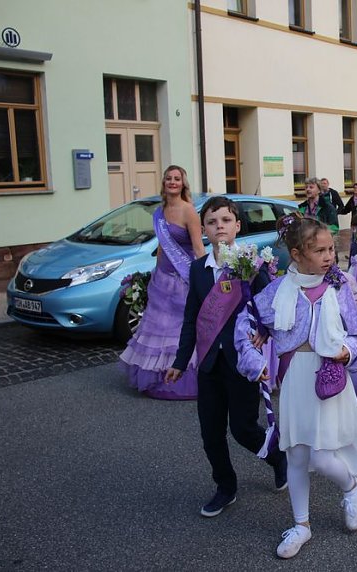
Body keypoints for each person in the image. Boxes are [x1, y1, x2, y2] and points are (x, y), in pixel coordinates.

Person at [236, 215, 357, 559]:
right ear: (297, 254)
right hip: (294, 378)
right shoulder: (277, 291)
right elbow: (246, 323)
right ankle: (301, 525)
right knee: (296, 453)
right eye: (320, 250)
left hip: (328, 377)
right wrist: (255, 361)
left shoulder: (338, 288)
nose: (329, 256)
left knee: (323, 455)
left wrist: (349, 351)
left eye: (331, 249)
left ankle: (350, 485)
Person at [166, 196, 288, 518]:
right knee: (210, 432)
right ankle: (225, 486)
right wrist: (180, 361)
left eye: (225, 220)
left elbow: (269, 306)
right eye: (211, 221)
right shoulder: (198, 270)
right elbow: (192, 317)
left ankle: (278, 457)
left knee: (244, 429)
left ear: (236, 226)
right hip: (208, 363)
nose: (219, 226)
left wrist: (264, 329)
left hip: (241, 362)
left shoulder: (252, 265)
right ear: (203, 229)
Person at [120, 165, 206, 400]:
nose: (172, 182)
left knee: (180, 329)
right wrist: (155, 273)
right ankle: (157, 376)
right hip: (162, 280)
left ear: (183, 184)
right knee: (158, 329)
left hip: (183, 278)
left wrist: (205, 278)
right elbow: (161, 246)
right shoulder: (160, 211)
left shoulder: (189, 211)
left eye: (177, 178)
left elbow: (199, 249)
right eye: (169, 178)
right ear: (164, 183)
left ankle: (185, 379)